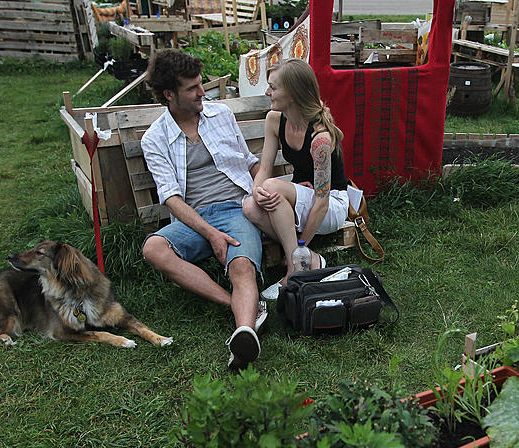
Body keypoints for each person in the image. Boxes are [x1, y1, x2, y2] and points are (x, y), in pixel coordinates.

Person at [141, 49, 266, 370]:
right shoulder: (155, 138)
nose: (202, 93)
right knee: (154, 247)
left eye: (201, 84)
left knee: (241, 268)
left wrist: (266, 192)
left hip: (237, 208)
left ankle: (244, 333)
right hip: (194, 218)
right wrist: (211, 234)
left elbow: (250, 163)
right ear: (169, 94)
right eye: (192, 88)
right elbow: (171, 198)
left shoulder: (220, 115)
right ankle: (239, 307)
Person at [243, 58, 362, 300]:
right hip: (303, 195)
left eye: (273, 87)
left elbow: (322, 202)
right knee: (250, 206)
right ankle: (312, 259)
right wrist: (257, 191)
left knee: (273, 188)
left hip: (332, 206)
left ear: (294, 93)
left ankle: (295, 267)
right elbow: (264, 169)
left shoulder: (320, 138)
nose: (267, 92)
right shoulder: (275, 119)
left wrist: (297, 249)